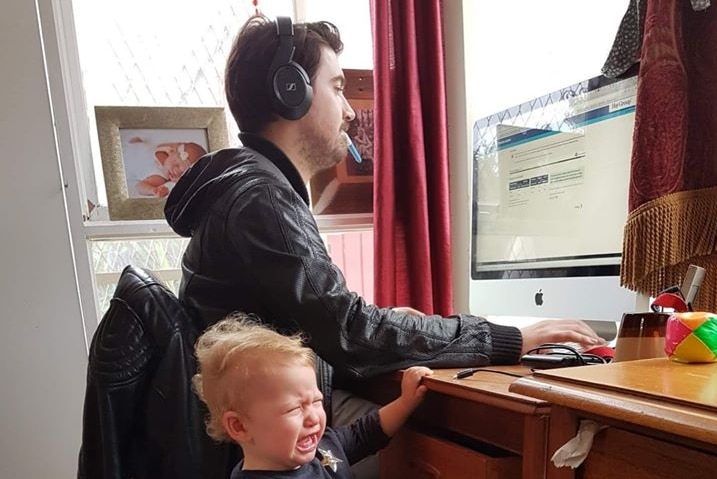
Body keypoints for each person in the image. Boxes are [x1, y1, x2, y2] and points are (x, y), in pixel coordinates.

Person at [165, 14, 601, 476]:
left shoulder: (252, 186)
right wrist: (509, 338)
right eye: (336, 87)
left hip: (257, 423)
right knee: (435, 438)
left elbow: (331, 320)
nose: (350, 111)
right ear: (291, 93)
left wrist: (390, 323)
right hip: (267, 444)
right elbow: (352, 332)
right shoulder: (263, 199)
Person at [193, 314, 433, 478]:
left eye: (316, 401)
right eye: (294, 409)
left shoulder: (323, 446)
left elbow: (365, 432)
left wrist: (405, 402)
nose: (313, 417)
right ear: (240, 426)